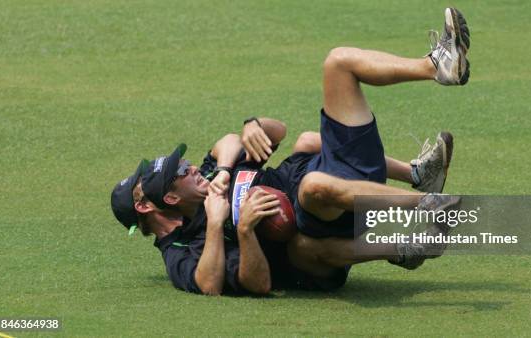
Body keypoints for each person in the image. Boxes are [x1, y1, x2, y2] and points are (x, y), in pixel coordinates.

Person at [113, 6, 470, 295]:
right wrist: (240, 229)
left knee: (337, 67)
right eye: (178, 172)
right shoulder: (182, 251)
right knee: (313, 193)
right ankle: (427, 209)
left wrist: (244, 135)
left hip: (307, 185)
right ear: (163, 201)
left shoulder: (208, 179)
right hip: (310, 220)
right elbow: (223, 283)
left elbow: (245, 138)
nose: (189, 167)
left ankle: (434, 76)